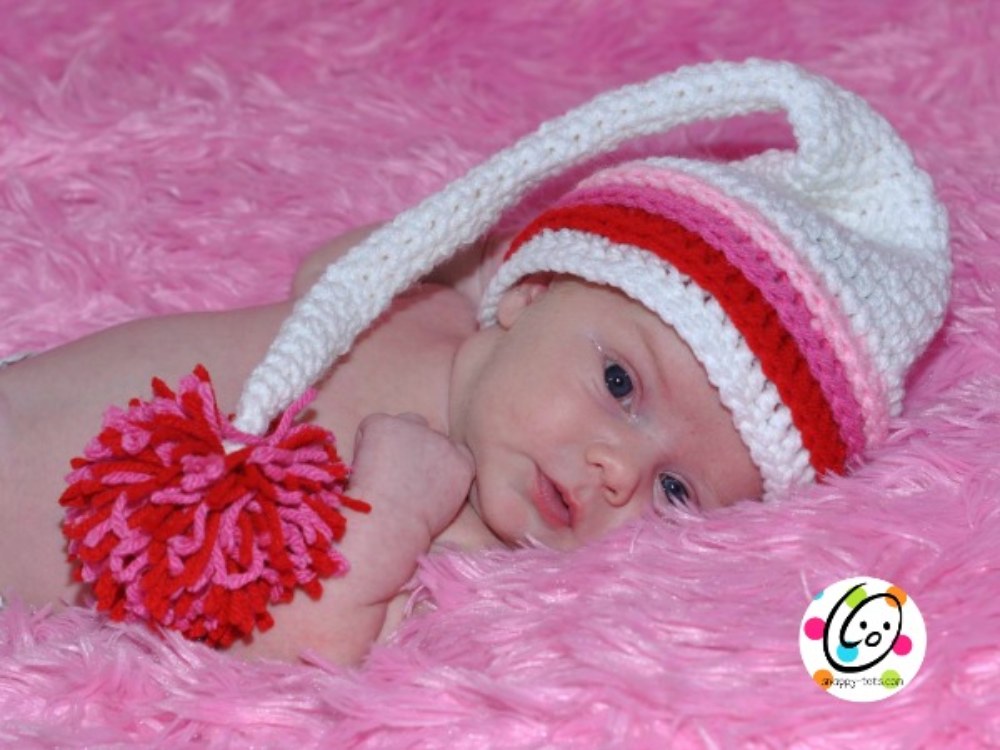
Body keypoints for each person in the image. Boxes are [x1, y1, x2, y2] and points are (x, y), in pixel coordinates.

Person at [0, 59, 951, 665]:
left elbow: (293, 644)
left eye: (676, 492)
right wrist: (473, 261)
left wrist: (391, 509)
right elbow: (327, 271)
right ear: (532, 294)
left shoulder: (460, 546)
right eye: (619, 384)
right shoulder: (425, 309)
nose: (618, 471)